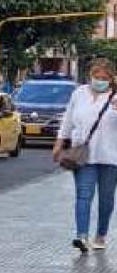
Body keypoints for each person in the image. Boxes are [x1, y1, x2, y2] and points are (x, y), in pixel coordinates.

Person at [55, 58, 117, 253]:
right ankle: (81, 236)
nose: (100, 80)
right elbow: (68, 120)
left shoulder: (115, 96)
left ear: (111, 78)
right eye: (96, 76)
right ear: (90, 76)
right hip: (83, 156)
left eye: (104, 77)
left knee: (106, 199)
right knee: (84, 195)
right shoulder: (79, 94)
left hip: (110, 157)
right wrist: (59, 143)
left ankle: (100, 235)